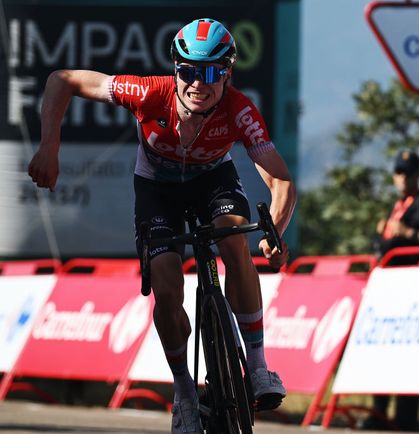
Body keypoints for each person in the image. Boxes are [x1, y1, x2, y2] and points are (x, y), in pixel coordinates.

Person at [27, 18, 296, 434]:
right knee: (168, 285)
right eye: (187, 71)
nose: (197, 84)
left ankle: (258, 367)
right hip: (158, 188)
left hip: (212, 181)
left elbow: (279, 180)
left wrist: (275, 230)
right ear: (175, 68)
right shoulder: (150, 92)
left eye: (210, 73)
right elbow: (62, 80)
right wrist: (50, 146)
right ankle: (185, 392)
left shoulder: (239, 109)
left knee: (233, 238)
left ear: (227, 73)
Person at [364, 150, 419, 431]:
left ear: (417, 175)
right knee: (382, 352)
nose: (403, 178)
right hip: (387, 288)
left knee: (407, 354)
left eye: (408, 173)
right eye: (399, 172)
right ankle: (380, 411)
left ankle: (406, 415)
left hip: (410, 289)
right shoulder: (399, 204)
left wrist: (409, 234)